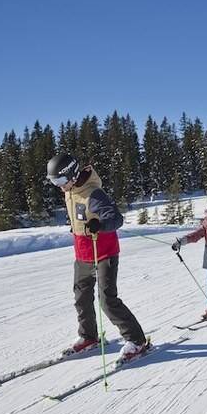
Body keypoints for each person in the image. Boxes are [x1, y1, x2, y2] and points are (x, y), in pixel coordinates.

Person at [46, 154, 148, 362]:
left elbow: (115, 219)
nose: (59, 186)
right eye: (54, 182)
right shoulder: (70, 190)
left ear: (72, 175)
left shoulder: (94, 193)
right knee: (81, 297)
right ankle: (88, 336)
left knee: (107, 300)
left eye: (60, 181)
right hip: (83, 253)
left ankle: (137, 340)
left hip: (104, 253)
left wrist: (100, 225)